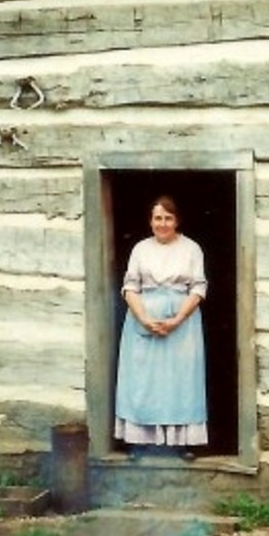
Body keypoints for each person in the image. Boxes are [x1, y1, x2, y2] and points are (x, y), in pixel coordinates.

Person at [114, 195, 208, 455]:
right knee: (145, 381)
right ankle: (141, 441)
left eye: (168, 218)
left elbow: (199, 287)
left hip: (182, 324)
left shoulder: (191, 248)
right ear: (150, 221)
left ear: (176, 221)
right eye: (158, 218)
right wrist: (143, 318)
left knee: (180, 380)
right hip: (144, 323)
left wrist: (177, 319)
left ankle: (182, 443)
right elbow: (130, 286)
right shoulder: (140, 249)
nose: (163, 223)